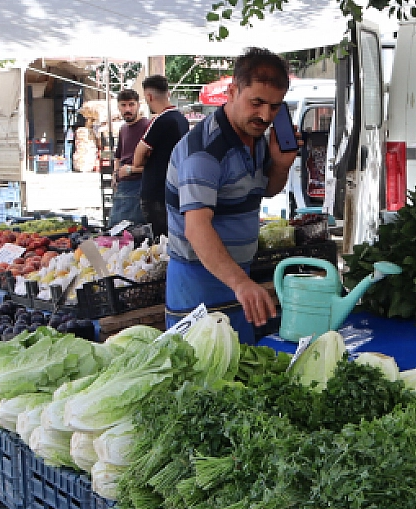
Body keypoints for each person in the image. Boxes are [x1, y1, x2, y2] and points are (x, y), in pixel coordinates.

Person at [166, 48, 295, 337]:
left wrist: (282, 166)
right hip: (196, 281)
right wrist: (240, 284)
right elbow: (196, 228)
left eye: (275, 107)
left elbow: (265, 191)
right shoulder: (203, 153)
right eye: (257, 102)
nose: (265, 115)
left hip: (237, 276)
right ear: (232, 91)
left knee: (242, 368)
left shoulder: (256, 138)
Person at [129, 75, 188, 240]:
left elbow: (138, 158)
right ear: (167, 93)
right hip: (175, 189)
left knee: (159, 241)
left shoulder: (160, 120)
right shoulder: (181, 119)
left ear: (149, 96)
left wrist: (147, 156)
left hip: (155, 192)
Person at [108, 85, 149, 227]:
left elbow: (156, 163)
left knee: (135, 231)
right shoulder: (123, 129)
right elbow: (118, 155)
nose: (127, 109)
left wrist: (131, 170)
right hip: (123, 186)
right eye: (123, 105)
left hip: (140, 184)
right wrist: (115, 174)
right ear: (118, 107)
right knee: (115, 230)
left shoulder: (148, 126)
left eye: (131, 104)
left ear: (138, 105)